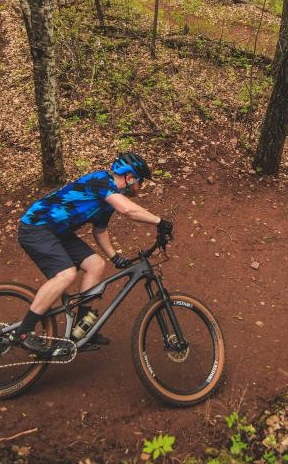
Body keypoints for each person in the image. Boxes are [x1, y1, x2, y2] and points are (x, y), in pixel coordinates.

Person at [10, 152, 173, 356]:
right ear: (130, 177)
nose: (141, 187)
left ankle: (81, 331)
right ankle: (23, 332)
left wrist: (114, 257)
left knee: (96, 265)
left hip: (59, 232)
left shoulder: (108, 200)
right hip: (36, 227)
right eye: (140, 181)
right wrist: (160, 222)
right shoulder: (101, 180)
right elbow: (127, 210)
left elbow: (100, 231)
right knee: (67, 274)